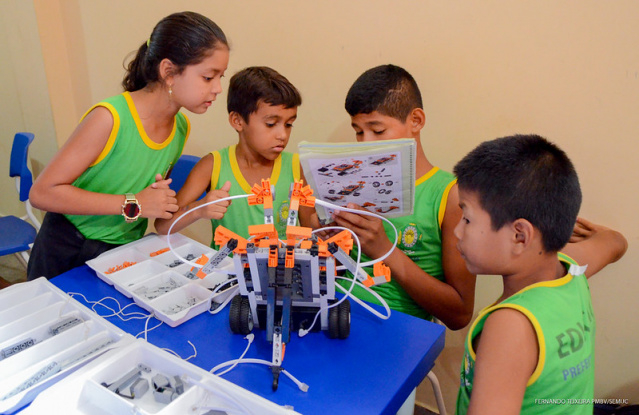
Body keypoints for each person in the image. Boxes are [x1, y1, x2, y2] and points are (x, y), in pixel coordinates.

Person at [27, 12, 230, 280]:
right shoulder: (109, 118)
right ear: (168, 72)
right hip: (66, 249)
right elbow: (42, 193)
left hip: (121, 252)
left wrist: (190, 206)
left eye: (221, 77)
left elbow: (155, 209)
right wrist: (133, 203)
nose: (218, 89)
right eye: (208, 77)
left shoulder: (180, 127)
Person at [453, 134, 627, 414]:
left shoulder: (509, 326)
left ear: (520, 236)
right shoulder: (572, 268)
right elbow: (616, 242)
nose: (457, 231)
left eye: (467, 219)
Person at [301, 64, 476, 329]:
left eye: (378, 130)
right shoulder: (351, 184)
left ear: (416, 121)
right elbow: (337, 268)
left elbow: (459, 315)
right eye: (359, 131)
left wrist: (384, 250)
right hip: (335, 317)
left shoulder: (449, 196)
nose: (366, 143)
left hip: (399, 332)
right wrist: (325, 236)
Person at [155, 66, 302, 245]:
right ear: (237, 121)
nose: (283, 135)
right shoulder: (211, 165)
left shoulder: (296, 166)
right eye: (271, 124)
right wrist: (199, 209)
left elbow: (312, 229)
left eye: (289, 124)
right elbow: (163, 226)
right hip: (226, 263)